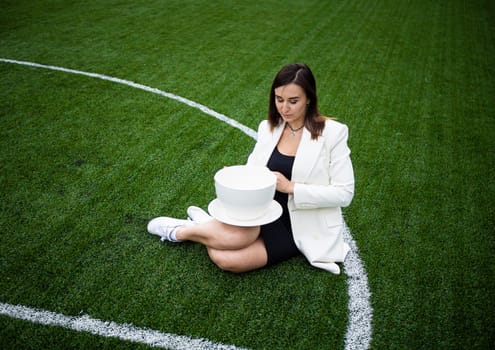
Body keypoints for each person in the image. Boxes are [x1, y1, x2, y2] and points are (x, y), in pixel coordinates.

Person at [147, 63, 354, 274]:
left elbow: (344, 194)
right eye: (279, 99)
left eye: (293, 101)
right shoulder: (269, 127)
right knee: (234, 238)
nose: (284, 108)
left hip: (301, 225)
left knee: (225, 259)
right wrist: (238, 176)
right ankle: (179, 231)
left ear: (309, 98)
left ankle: (191, 230)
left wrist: (291, 187)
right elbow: (255, 170)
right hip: (263, 210)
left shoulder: (333, 134)